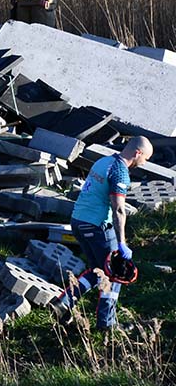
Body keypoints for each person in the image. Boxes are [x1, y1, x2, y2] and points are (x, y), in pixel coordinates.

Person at [55, 136, 152, 329]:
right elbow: (118, 210)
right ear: (137, 153)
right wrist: (122, 243)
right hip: (97, 226)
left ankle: (63, 303)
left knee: (96, 270)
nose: (144, 163)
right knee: (115, 273)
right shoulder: (120, 172)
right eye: (146, 159)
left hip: (78, 221)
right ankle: (107, 323)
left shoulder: (104, 161)